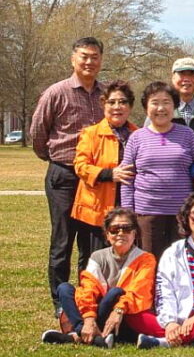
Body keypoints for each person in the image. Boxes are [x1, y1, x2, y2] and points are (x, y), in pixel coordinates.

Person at [30, 36, 106, 313]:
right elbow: (38, 133)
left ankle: (87, 300)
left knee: (92, 242)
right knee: (63, 241)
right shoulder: (57, 92)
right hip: (63, 175)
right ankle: (60, 303)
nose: (89, 61)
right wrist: (56, 160)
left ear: (101, 60)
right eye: (84, 56)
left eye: (94, 56)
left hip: (95, 179)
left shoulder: (105, 95)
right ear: (73, 59)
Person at [129, 192, 194, 349]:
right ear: (186, 218)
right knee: (133, 314)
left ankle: (163, 341)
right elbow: (164, 290)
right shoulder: (172, 252)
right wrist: (170, 322)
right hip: (178, 317)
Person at [41, 208, 156, 349]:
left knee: (116, 292)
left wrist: (119, 310)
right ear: (107, 235)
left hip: (123, 316)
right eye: (114, 229)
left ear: (135, 233)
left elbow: (139, 291)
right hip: (99, 310)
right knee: (64, 288)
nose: (120, 233)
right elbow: (88, 288)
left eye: (126, 229)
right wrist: (89, 318)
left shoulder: (146, 259)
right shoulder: (98, 256)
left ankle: (75, 336)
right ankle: (83, 331)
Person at [120, 81, 194, 260]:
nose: (160, 108)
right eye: (155, 102)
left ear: (175, 106)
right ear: (146, 107)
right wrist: (128, 213)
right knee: (149, 261)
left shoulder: (187, 134)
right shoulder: (137, 137)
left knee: (180, 262)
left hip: (181, 213)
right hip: (147, 213)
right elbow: (127, 178)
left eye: (166, 102)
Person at [71, 80, 138, 266]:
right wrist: (109, 175)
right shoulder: (91, 134)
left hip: (127, 210)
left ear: (130, 106)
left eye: (123, 102)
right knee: (93, 262)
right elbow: (81, 166)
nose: (117, 107)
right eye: (112, 102)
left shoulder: (138, 134)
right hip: (95, 211)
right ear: (104, 104)